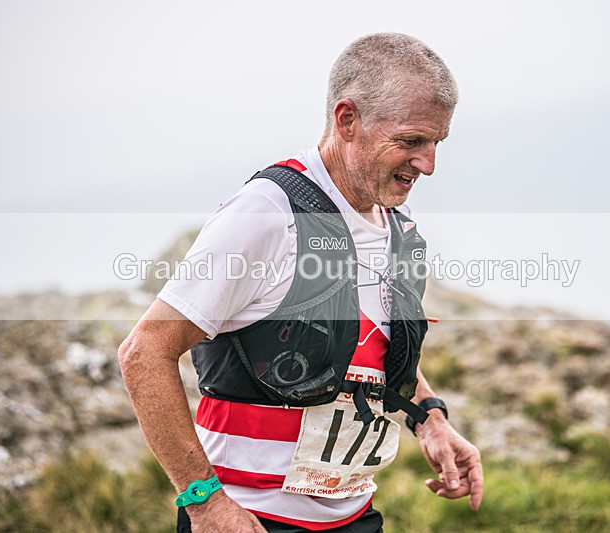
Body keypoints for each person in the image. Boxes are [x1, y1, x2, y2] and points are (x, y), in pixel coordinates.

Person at [119, 32, 483, 533]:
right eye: (411, 141)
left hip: (354, 517)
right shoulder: (267, 213)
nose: (428, 165)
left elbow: (369, 349)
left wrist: (432, 420)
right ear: (347, 119)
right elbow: (144, 353)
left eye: (436, 143)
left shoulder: (394, 221)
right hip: (249, 520)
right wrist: (204, 503)